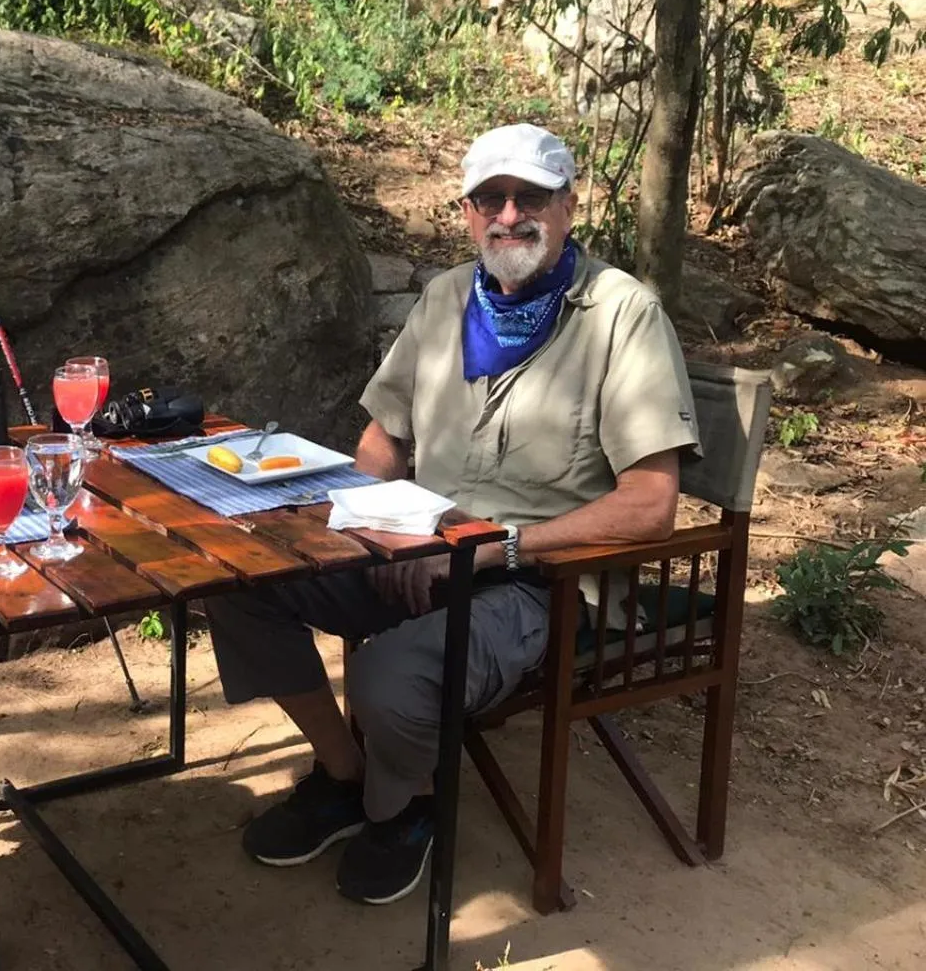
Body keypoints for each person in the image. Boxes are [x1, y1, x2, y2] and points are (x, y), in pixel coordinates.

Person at [205, 123, 700, 907]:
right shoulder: (445, 298)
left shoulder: (620, 314)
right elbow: (381, 437)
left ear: (570, 205)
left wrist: (494, 547)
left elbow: (650, 506)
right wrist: (375, 529)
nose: (509, 216)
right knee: (241, 584)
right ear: (467, 213)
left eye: (530, 197)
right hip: (414, 550)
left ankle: (409, 807)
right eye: (490, 199)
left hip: (539, 578)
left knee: (388, 675)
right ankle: (346, 776)